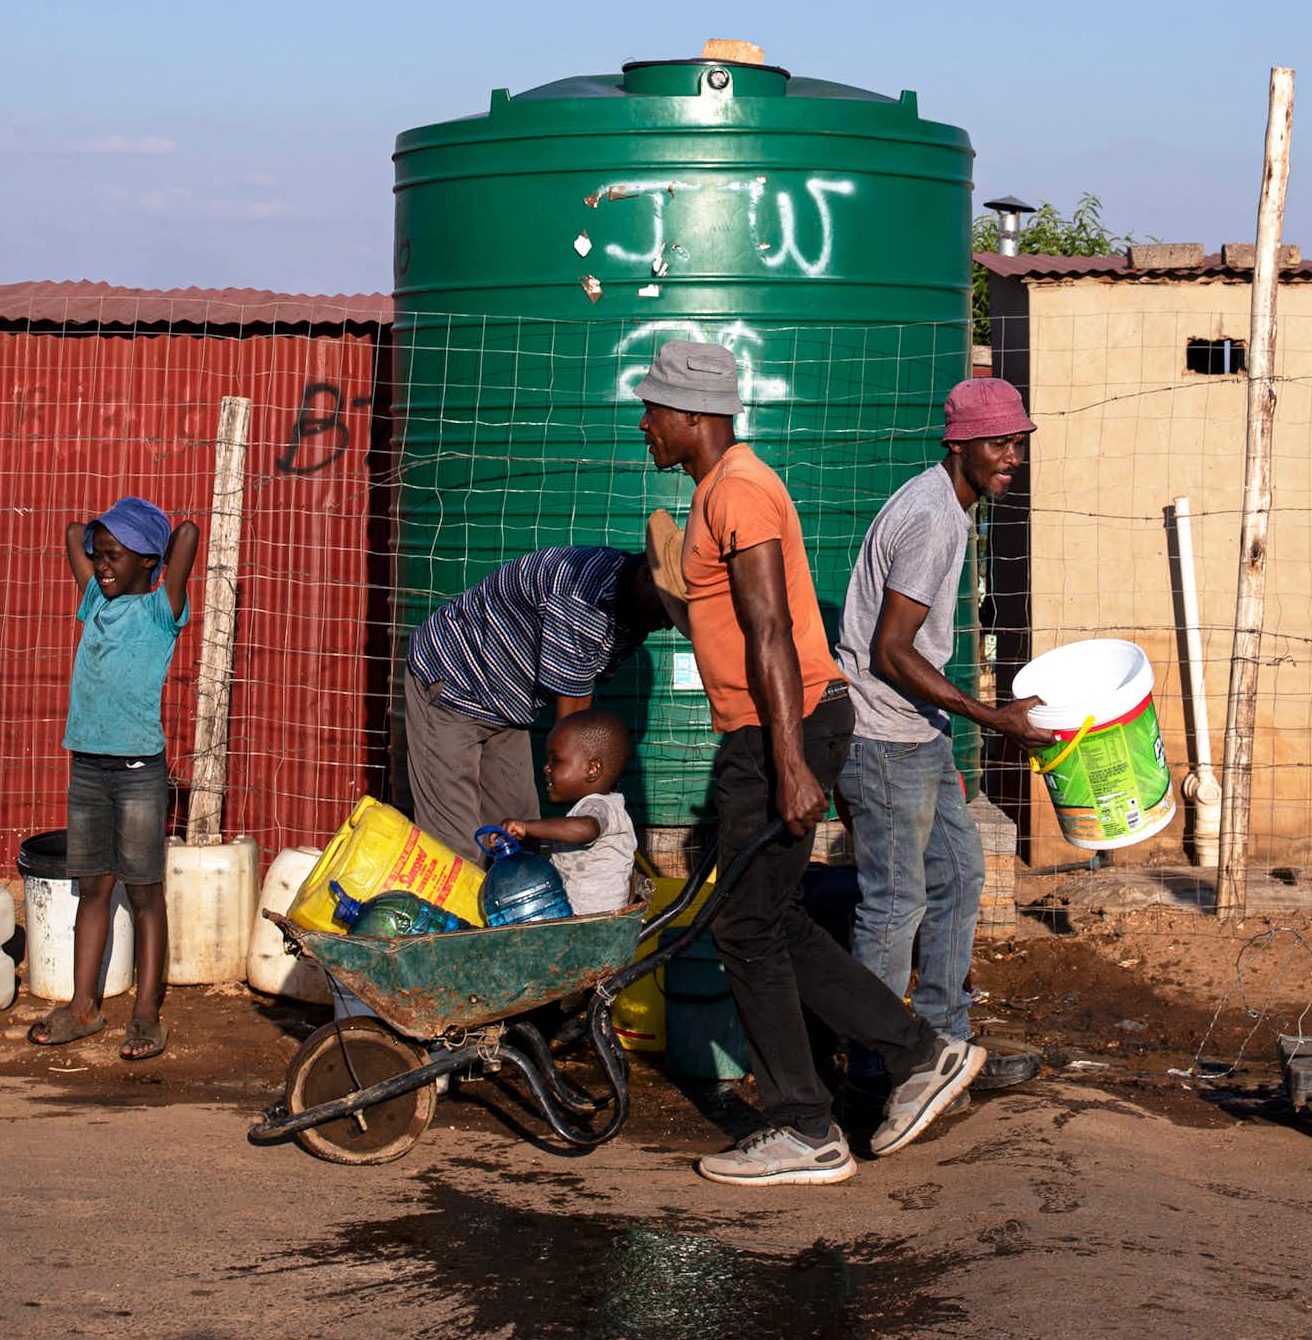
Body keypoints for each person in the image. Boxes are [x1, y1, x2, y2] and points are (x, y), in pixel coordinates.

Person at [638, 335, 986, 1186]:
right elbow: (727, 625)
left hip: (782, 729)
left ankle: (807, 1124)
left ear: (691, 416)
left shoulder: (743, 491)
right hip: (764, 732)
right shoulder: (715, 495)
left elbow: (770, 633)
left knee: (743, 925)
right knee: (772, 918)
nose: (643, 425)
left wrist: (790, 763)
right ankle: (913, 1056)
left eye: (652, 411)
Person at [834, 376, 1046, 1089]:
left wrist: (945, 731)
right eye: (998, 443)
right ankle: (875, 1070)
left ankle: (942, 1045)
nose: (1011, 456)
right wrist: (992, 718)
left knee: (957, 874)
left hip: (914, 732)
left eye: (1017, 442)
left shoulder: (949, 506)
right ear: (960, 446)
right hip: (885, 738)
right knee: (895, 905)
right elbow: (892, 650)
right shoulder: (932, 517)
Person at [28, 494, 198, 1062]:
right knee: (93, 887)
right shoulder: (93, 603)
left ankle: (146, 1015)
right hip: (87, 767)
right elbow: (73, 528)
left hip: (136, 773)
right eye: (98, 556)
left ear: (148, 562)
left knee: (145, 891)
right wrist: (107, 540)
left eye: (114, 557)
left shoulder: (158, 610)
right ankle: (84, 1006)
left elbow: (190, 534)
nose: (101, 565)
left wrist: (153, 547)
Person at [404, 542, 670, 855]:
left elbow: (585, 701)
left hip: (509, 704)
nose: (668, 623)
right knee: (456, 843)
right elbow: (574, 725)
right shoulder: (582, 600)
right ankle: (453, 903)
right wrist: (590, 797)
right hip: (452, 685)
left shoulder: (633, 611)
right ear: (646, 578)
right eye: (666, 609)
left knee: (518, 832)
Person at [497, 706, 639, 917]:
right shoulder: (591, 806)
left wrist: (526, 827)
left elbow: (586, 829)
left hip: (595, 920)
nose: (546, 768)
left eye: (556, 760)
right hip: (582, 918)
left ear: (592, 769)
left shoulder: (598, 807)